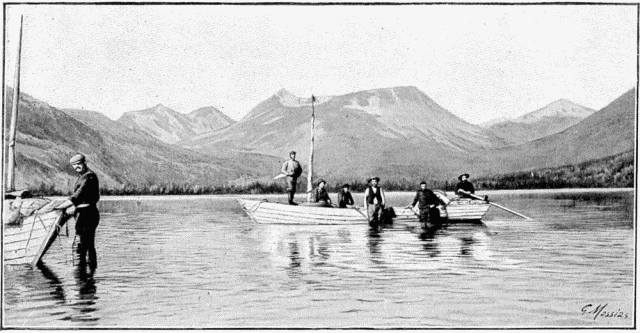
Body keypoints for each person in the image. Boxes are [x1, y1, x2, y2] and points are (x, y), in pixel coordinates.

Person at [54, 154, 100, 269]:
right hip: (88, 213)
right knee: (89, 245)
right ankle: (89, 278)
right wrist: (75, 208)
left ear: (84, 163)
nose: (76, 167)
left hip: (87, 216)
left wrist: (59, 207)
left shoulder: (88, 177)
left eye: (78, 164)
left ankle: (80, 276)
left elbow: (77, 196)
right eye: (74, 165)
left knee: (79, 246)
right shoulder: (84, 176)